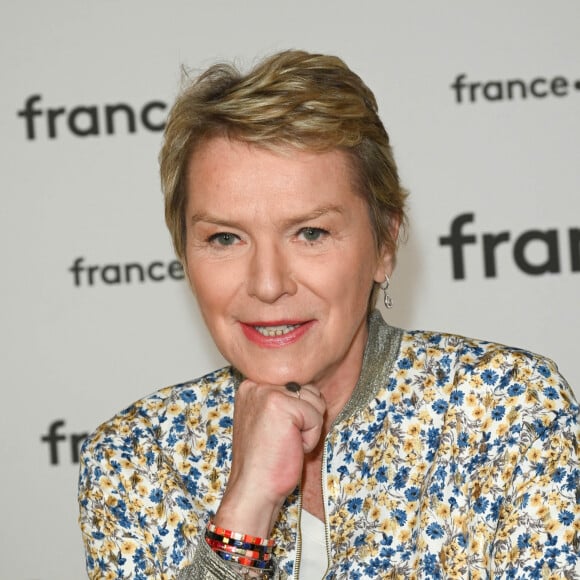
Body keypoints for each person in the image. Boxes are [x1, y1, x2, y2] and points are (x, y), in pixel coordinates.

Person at [78, 50, 579, 580]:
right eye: (224, 238)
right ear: (184, 252)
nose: (268, 284)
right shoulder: (135, 457)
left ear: (384, 244)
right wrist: (244, 512)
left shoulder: (507, 412)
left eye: (310, 233)